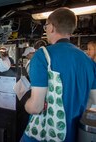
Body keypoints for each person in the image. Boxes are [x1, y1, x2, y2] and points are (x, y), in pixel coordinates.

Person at [20, 7, 96, 142]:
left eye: (46, 26)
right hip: (72, 136)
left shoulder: (42, 55)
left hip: (42, 136)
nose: (46, 29)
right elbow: (92, 101)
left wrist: (26, 103)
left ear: (52, 27)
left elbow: (36, 107)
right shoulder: (89, 62)